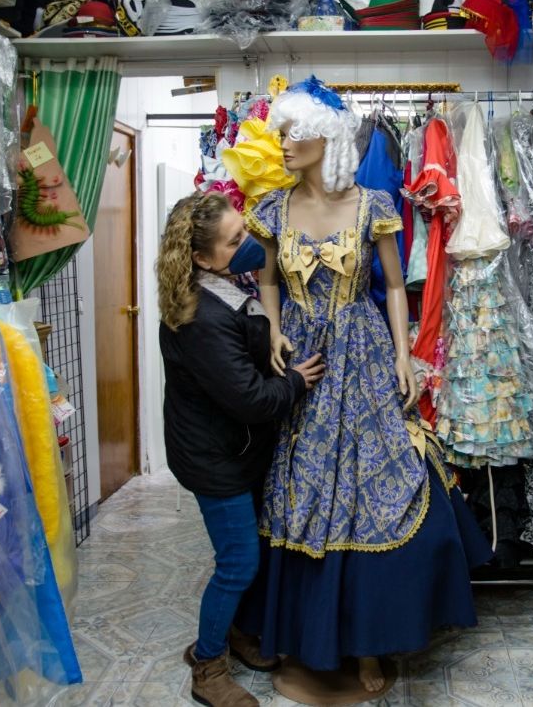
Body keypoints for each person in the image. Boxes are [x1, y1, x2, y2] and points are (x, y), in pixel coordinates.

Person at [239, 77, 492, 693]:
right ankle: (306, 638)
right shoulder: (271, 207)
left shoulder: (373, 205)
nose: (283, 142)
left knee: (376, 480)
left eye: (293, 132)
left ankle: (373, 643)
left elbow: (396, 291)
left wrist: (405, 357)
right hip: (302, 364)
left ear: (326, 138)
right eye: (282, 132)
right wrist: (272, 330)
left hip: (365, 354)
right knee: (303, 489)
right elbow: (267, 280)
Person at [157, 191, 325, 707]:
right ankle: (207, 666)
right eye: (236, 242)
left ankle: (235, 634)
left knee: (245, 554)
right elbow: (250, 399)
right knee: (237, 562)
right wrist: (297, 381)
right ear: (203, 258)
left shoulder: (224, 286)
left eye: (245, 231)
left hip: (233, 448)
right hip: (214, 459)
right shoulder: (201, 319)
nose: (249, 245)